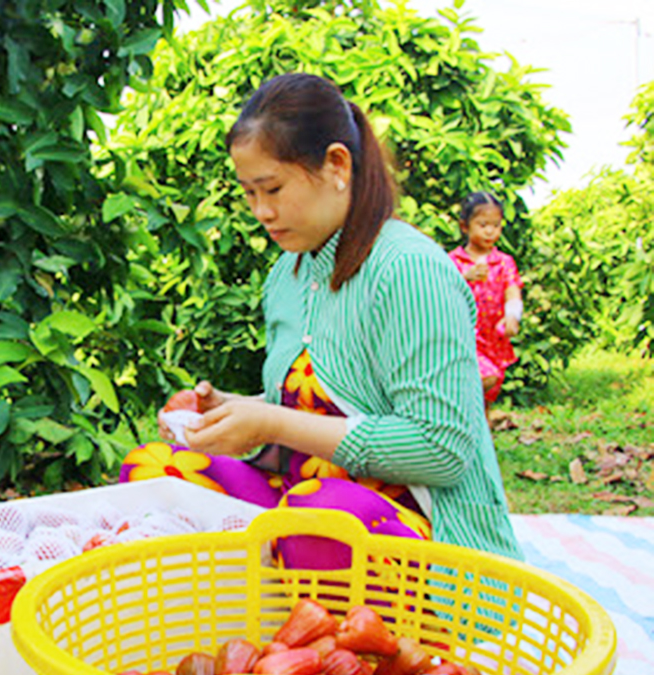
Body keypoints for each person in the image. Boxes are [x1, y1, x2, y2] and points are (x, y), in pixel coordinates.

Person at [119, 72, 521, 562]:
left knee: (319, 516)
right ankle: (270, 589)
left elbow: (441, 449)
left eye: (272, 189)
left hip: (416, 531)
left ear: (336, 164)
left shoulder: (408, 269)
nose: (262, 212)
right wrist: (230, 414)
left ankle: (292, 584)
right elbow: (316, 411)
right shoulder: (287, 276)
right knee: (155, 470)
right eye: (250, 194)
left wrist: (271, 422)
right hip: (299, 503)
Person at [448, 192, 524, 405]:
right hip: (465, 336)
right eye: (483, 225)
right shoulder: (454, 261)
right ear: (465, 226)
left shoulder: (503, 262)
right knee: (484, 377)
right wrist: (465, 277)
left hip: (494, 338)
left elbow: (512, 289)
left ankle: (482, 424)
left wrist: (512, 316)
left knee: (490, 391)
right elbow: (441, 292)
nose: (490, 231)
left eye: (496, 225)